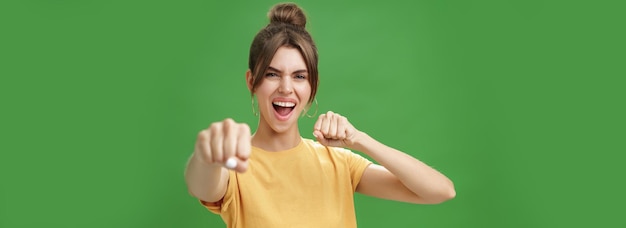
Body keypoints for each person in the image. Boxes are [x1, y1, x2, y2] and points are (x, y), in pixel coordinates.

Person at [185, 3, 455, 227]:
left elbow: (441, 191)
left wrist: (360, 140)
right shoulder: (235, 164)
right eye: (272, 74)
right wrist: (207, 156)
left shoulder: (338, 163)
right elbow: (202, 186)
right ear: (251, 81)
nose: (286, 88)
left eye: (299, 76)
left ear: (312, 86)